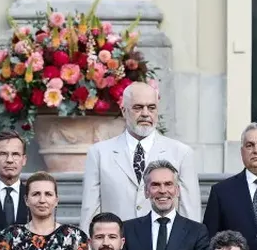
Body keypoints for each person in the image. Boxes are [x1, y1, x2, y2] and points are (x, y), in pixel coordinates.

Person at [80, 81, 201, 225]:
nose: (145, 113)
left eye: (151, 108)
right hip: (115, 244)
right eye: (138, 107)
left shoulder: (181, 153)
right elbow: (90, 211)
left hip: (163, 244)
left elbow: (190, 212)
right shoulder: (99, 154)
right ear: (124, 111)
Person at [119, 160, 212, 250]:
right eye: (155, 185)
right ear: (146, 191)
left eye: (168, 184)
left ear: (177, 190)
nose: (163, 191)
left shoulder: (196, 232)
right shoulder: (128, 230)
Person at [0, 171, 90, 250]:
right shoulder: (9, 236)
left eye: (48, 194)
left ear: (56, 200)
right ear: (26, 200)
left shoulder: (76, 237)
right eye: (36, 194)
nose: (42, 200)